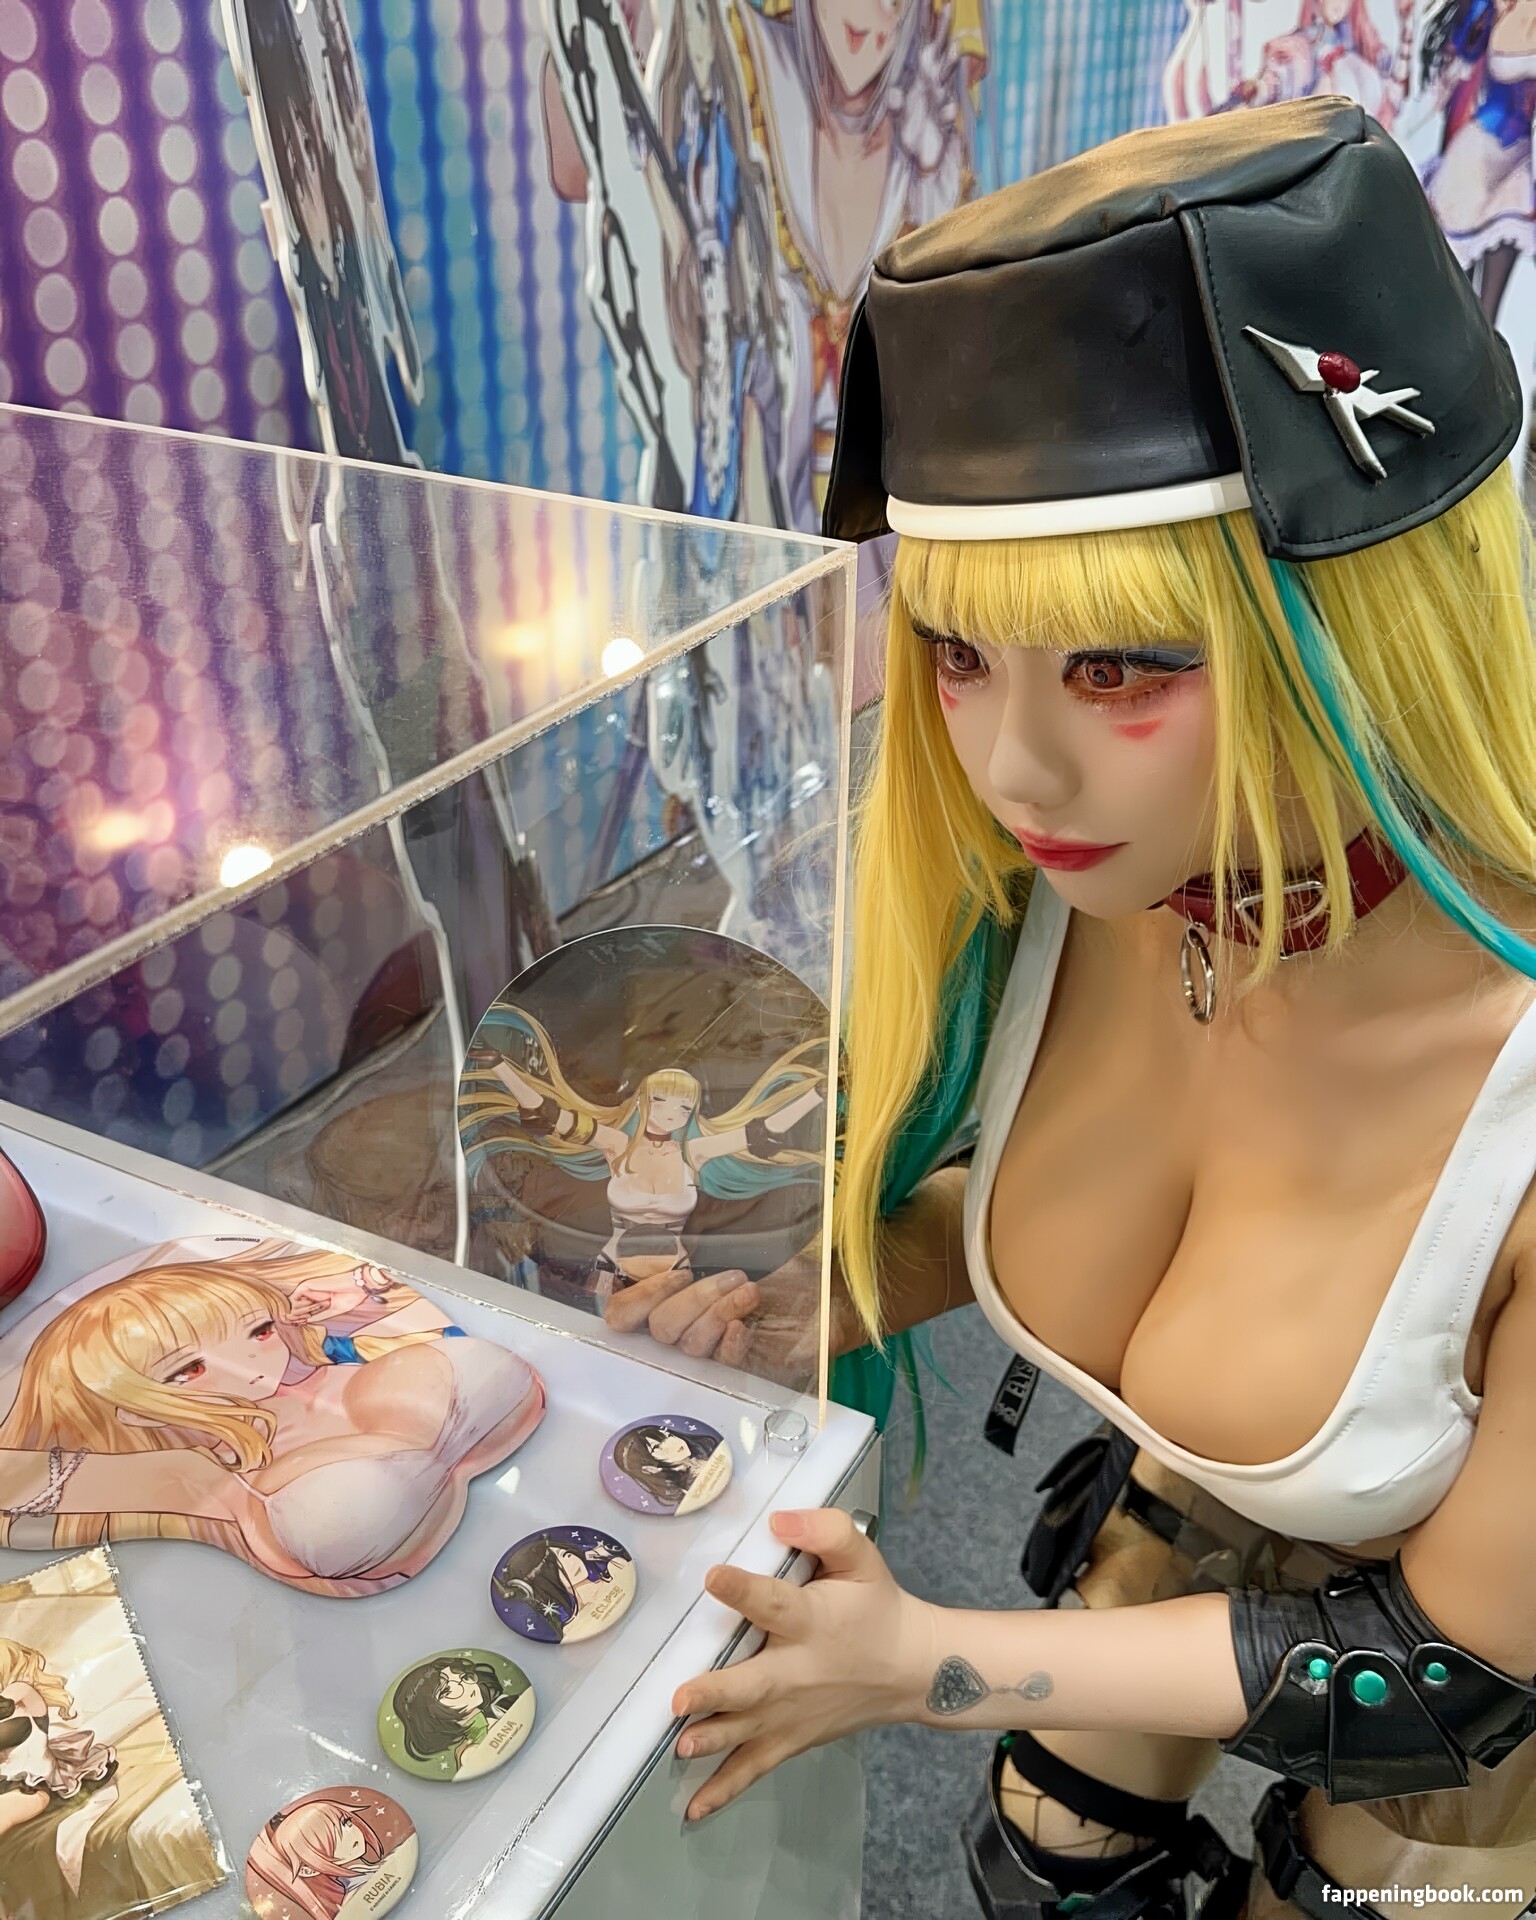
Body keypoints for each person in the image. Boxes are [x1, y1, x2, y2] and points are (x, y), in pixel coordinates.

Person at [665, 99, 1536, 1920]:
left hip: (1474, 1682)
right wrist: (837, 1281)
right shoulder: (1080, 888)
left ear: (1363, 620)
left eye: (1124, 668)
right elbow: (1015, 1207)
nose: (1013, 768)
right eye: (957, 656)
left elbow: (1450, 1676)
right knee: (1046, 1860)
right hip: (1219, 1502)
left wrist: (929, 1661)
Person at [0, 1249, 545, 1595]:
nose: (251, 1362)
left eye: (259, 1331)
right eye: (188, 1370)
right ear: (135, 1406)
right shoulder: (194, 1470)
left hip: (544, 1484)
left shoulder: (340, 1354)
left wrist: (361, 1292)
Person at [459, 1002, 824, 1319]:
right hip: (610, 1272)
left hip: (677, 1276)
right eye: (661, 1101)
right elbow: (551, 1115)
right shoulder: (618, 1144)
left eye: (684, 1108)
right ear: (643, 1101)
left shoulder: (693, 1152)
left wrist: (816, 1095)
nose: (672, 1114)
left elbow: (760, 1132)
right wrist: (501, 1067)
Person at [245, 1797, 385, 1920]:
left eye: (346, 1823)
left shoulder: (377, 1866)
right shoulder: (353, 1895)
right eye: (329, 1839)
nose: (349, 1833)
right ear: (308, 1870)